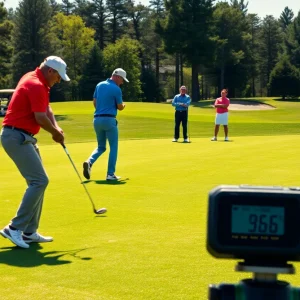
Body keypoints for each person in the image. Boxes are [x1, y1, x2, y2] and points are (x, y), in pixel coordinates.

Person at [0, 56, 70, 249]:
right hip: (16, 136)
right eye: (58, 77)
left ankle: (29, 232)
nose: (58, 81)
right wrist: (55, 134)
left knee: (38, 181)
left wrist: (57, 127)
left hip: (24, 136)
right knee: (40, 181)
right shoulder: (36, 84)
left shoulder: (37, 79)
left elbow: (46, 108)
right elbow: (39, 118)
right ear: (50, 71)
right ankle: (14, 228)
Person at [83, 68, 127, 181]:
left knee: (101, 147)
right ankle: (110, 174)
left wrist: (101, 110)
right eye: (122, 79)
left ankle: (89, 162)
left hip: (97, 120)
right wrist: (124, 105)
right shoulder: (116, 89)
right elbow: (119, 107)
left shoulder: (100, 85)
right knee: (113, 148)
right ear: (117, 77)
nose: (122, 82)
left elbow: (94, 102)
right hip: (109, 120)